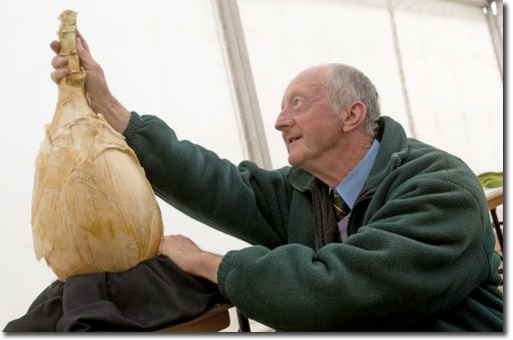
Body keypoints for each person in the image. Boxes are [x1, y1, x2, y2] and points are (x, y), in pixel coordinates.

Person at [50, 33, 503, 332]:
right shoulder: (307, 189)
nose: (279, 121)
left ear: (352, 115)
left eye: (298, 104)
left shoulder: (440, 187)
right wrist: (110, 109)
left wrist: (206, 261)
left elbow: (336, 289)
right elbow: (216, 183)